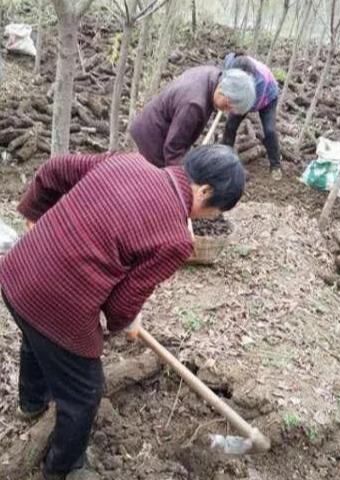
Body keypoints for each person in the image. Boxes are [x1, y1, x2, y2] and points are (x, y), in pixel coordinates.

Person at [0, 145, 245, 480]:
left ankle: (31, 404)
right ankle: (63, 468)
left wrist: (33, 214)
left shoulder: (127, 161)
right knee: (85, 392)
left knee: (36, 335)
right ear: (205, 191)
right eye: (215, 211)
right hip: (54, 305)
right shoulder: (175, 240)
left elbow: (55, 169)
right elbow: (119, 308)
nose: (210, 217)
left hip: (15, 274)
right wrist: (127, 320)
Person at [129, 65, 256, 168]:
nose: (226, 111)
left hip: (157, 129)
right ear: (224, 93)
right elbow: (173, 150)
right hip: (150, 140)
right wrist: (183, 181)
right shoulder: (194, 105)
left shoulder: (212, 75)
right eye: (228, 106)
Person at [221, 52, 282, 181]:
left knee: (269, 130)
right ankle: (223, 158)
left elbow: (249, 104)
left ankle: (275, 165)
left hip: (267, 99)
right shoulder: (231, 64)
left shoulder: (260, 80)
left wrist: (233, 104)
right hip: (243, 94)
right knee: (230, 126)